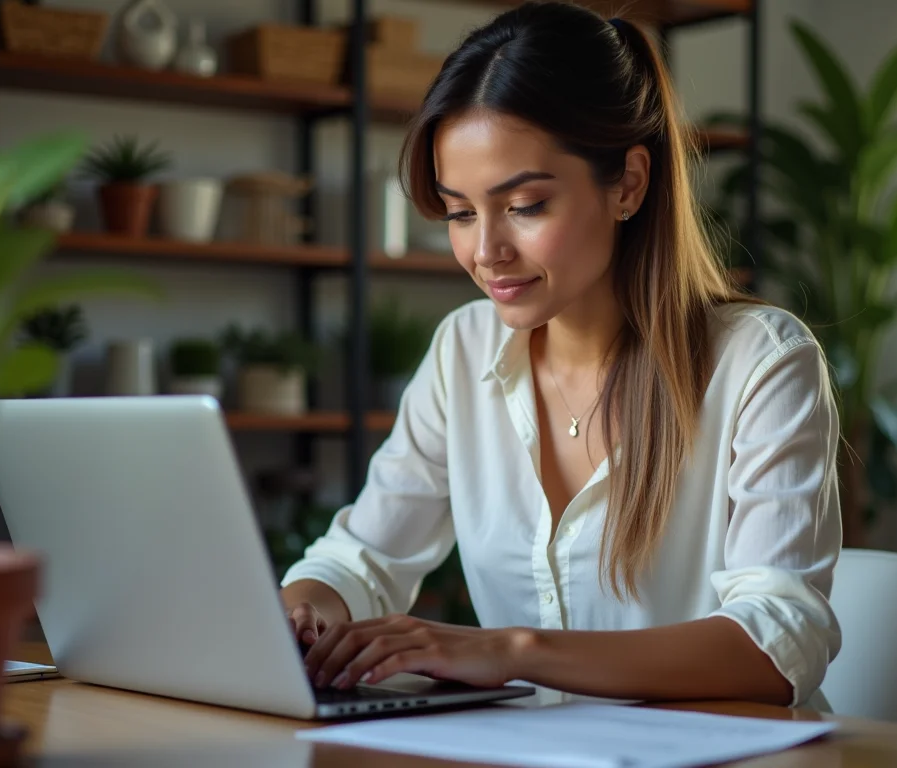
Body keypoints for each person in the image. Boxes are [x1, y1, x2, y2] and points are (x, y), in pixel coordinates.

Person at [280, 0, 842, 710]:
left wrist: (513, 651)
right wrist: (304, 609)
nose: (485, 252)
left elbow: (776, 644)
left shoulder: (760, 364)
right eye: (459, 212)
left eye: (525, 205)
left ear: (628, 184)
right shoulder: (464, 349)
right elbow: (363, 558)